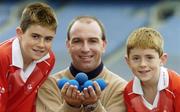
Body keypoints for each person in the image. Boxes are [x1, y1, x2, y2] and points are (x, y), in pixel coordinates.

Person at [36, 16, 127, 112]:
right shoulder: (50, 86)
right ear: (68, 46)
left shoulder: (120, 88)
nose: (85, 49)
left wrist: (93, 106)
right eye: (77, 41)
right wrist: (70, 106)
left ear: (103, 45)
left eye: (92, 41)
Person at [0, 2, 58, 112]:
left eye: (48, 39)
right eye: (35, 36)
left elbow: (30, 100)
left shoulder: (49, 59)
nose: (41, 45)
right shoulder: (2, 58)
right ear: (20, 33)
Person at [124, 27, 180, 112]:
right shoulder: (129, 91)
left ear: (162, 59)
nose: (142, 64)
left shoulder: (177, 85)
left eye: (149, 57)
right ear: (128, 61)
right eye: (136, 58)